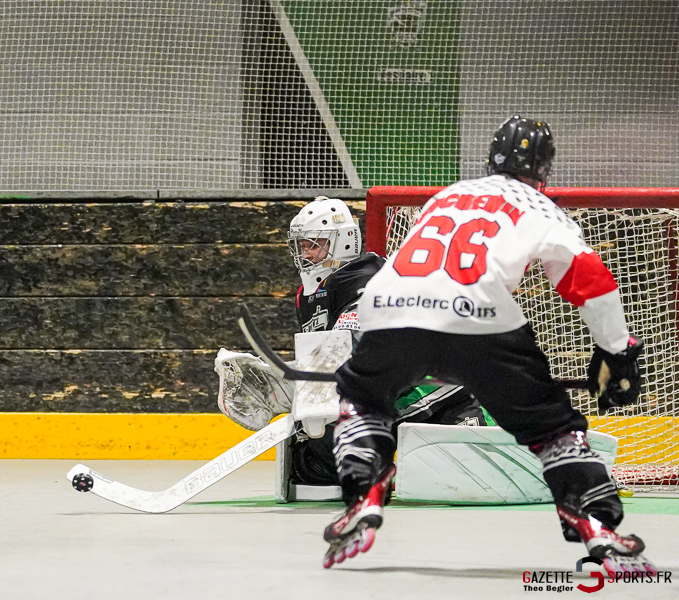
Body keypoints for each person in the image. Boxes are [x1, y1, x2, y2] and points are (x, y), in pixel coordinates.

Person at [322, 116, 653, 574]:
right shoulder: (540, 207)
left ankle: (364, 487)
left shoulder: (448, 195)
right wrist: (617, 351)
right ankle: (594, 518)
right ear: (545, 167)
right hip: (480, 318)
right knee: (552, 427)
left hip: (389, 308)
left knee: (362, 400)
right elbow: (590, 281)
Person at [216, 196, 493, 492]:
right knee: (312, 464)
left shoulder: (370, 279)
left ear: (343, 242)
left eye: (315, 244)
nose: (306, 253)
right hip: (385, 399)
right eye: (302, 245)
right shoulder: (309, 296)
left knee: (473, 480)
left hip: (442, 396)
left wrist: (286, 383)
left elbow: (351, 350)